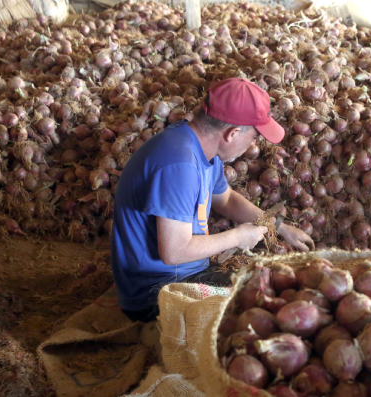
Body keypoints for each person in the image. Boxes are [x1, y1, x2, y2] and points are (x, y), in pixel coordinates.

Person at [111, 78, 314, 322]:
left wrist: (278, 226)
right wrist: (238, 237)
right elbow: (174, 251)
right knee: (270, 303)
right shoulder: (179, 163)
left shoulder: (200, 145)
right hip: (158, 292)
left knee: (277, 285)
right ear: (233, 133)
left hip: (187, 273)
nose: (254, 143)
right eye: (254, 136)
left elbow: (225, 199)